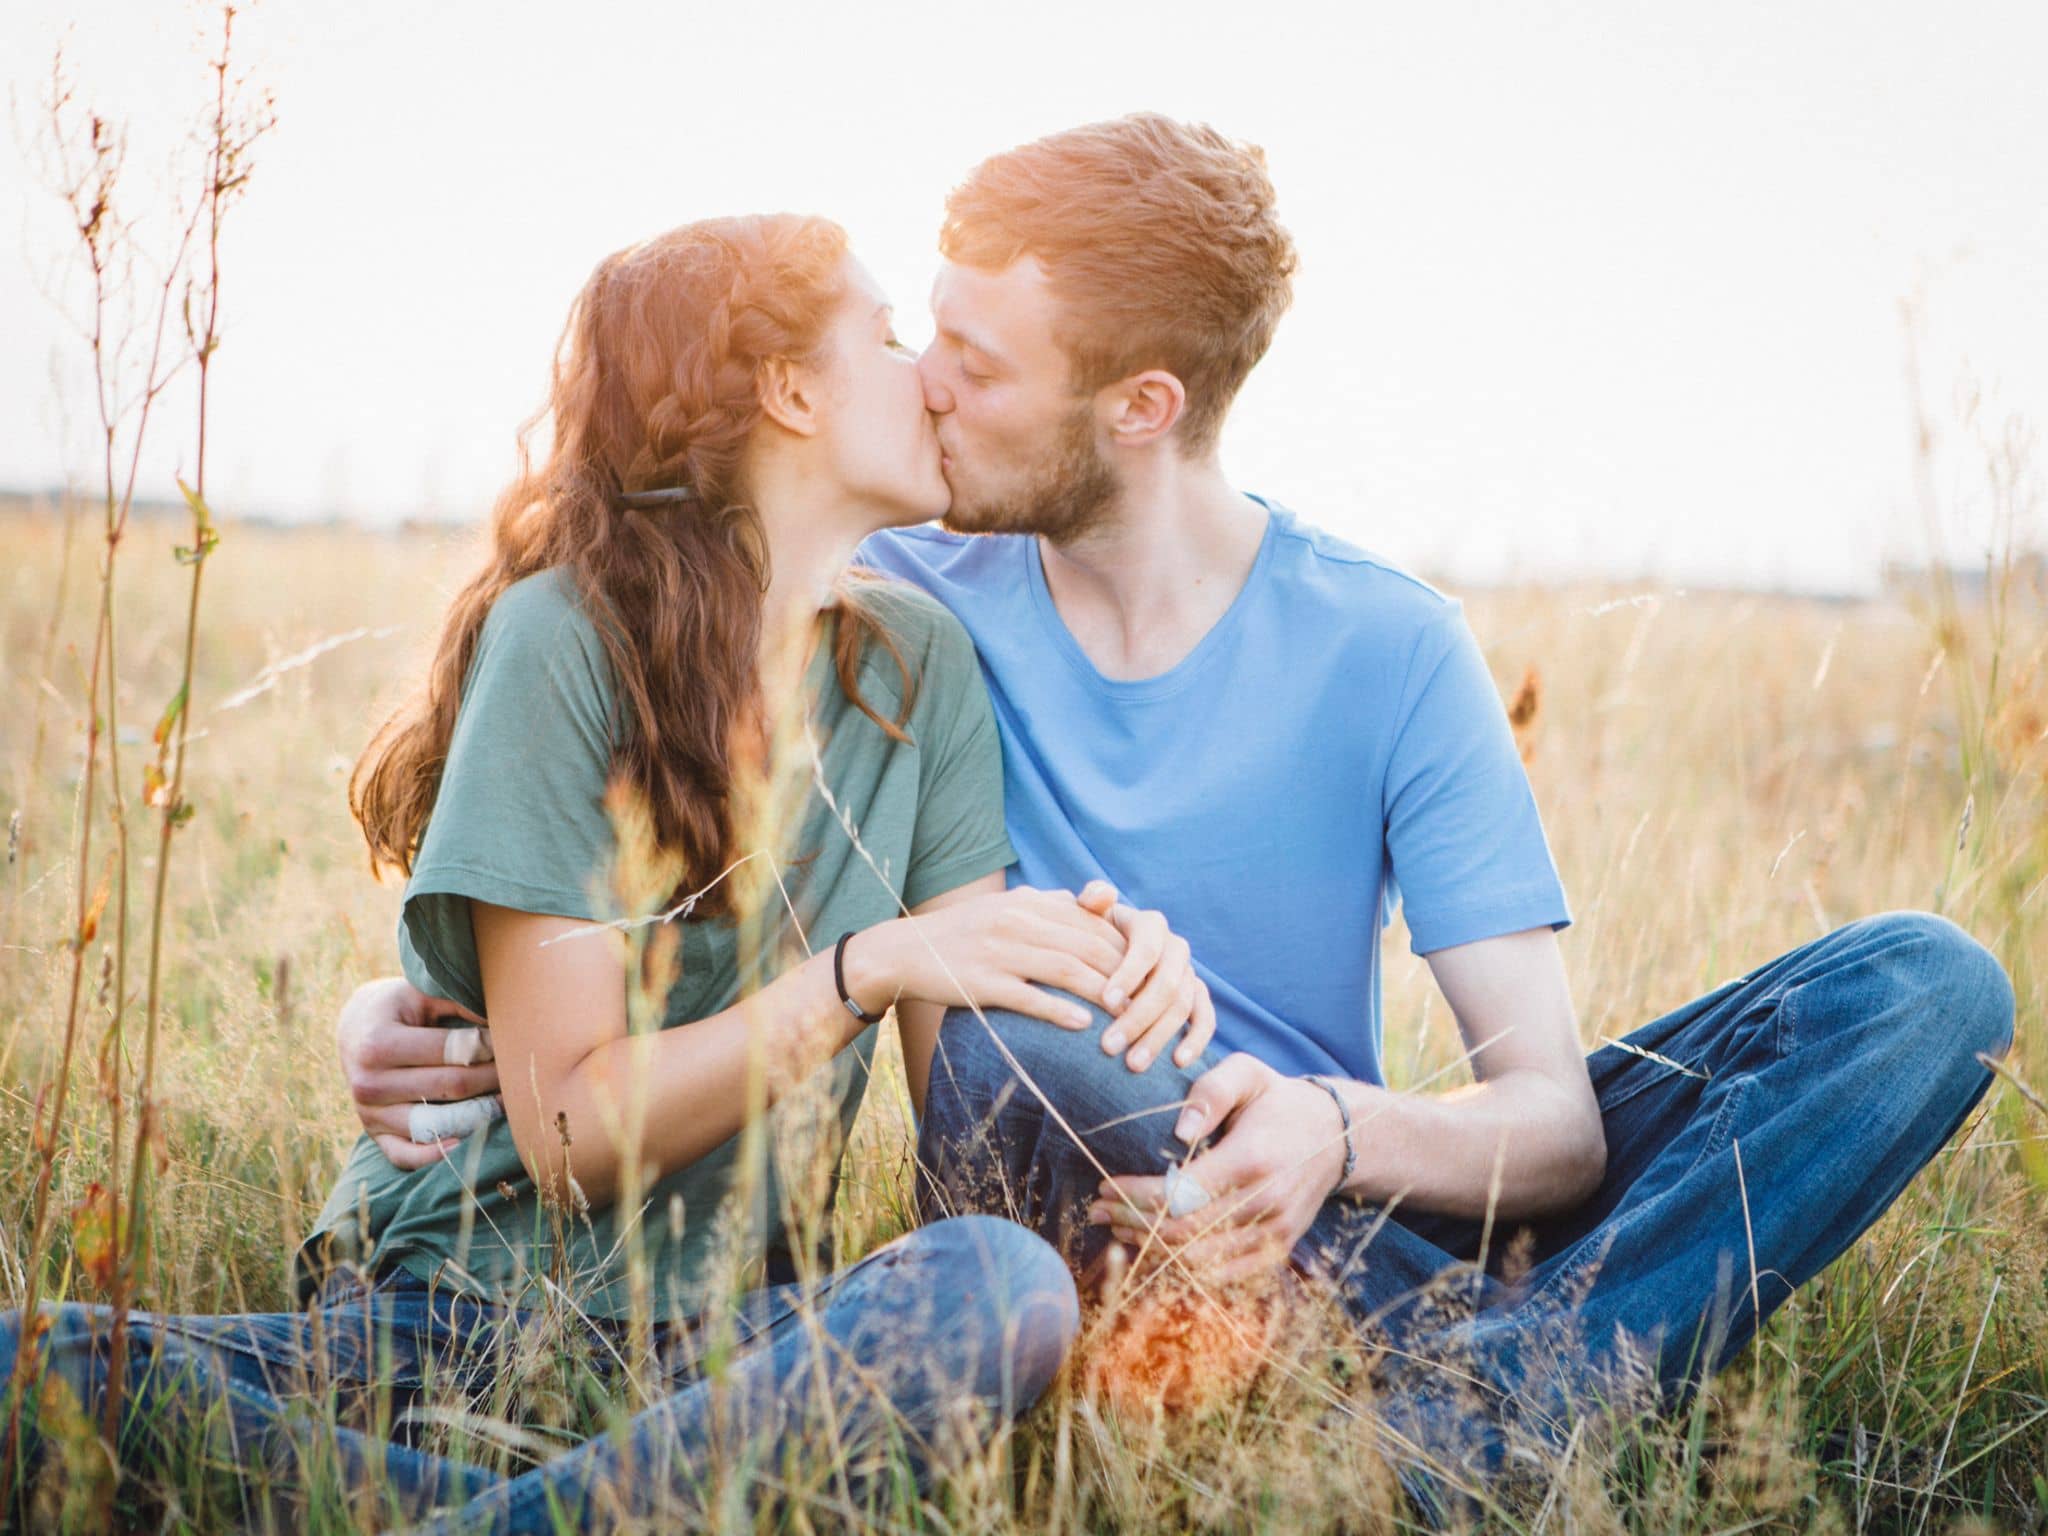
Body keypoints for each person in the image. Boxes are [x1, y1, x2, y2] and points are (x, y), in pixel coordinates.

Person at [338, 117, 2018, 1516]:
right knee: (1015, 1052)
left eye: (977, 364)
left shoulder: (1389, 646)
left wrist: (1335, 1131)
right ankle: (1526, 1378)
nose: (931, 388)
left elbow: (1556, 1130)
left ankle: (1496, 1394)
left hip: (1362, 1197)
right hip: (1129, 1193)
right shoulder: (896, 596)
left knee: (1921, 987)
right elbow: (649, 700)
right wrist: (398, 1008)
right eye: (924, 339)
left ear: (1138, 405)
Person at [1, 212, 1223, 1532]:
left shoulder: (919, 666)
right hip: (463, 1312)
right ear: (789, 390)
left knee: (997, 1286)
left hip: (727, 1344)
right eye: (886, 338)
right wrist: (856, 973)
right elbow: (572, 1136)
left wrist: (1118, 977)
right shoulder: (565, 642)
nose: (929, 375)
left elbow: (970, 1093)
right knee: (29, 1367)